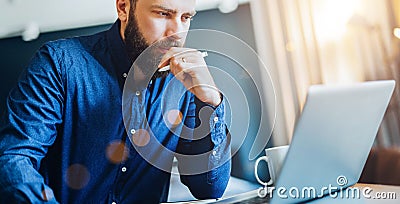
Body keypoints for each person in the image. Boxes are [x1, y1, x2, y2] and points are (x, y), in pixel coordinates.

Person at [0, 0, 231, 203]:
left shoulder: (185, 85)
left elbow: (209, 188)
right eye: (163, 13)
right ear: (124, 8)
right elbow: (14, 159)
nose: (176, 33)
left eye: (186, 17)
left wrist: (210, 101)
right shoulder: (58, 63)